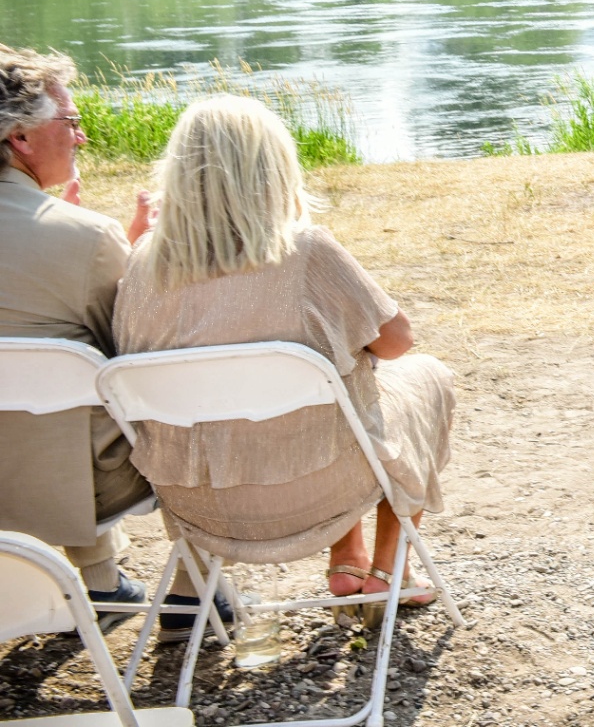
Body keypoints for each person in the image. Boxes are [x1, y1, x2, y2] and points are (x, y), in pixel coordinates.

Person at [112, 94, 456, 629]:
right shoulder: (306, 250)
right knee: (422, 378)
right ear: (271, 168)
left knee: (336, 395)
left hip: (200, 505)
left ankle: (348, 561)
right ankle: (390, 573)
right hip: (317, 489)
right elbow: (396, 343)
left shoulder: (139, 265)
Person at [0, 45, 161, 616]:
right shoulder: (85, 238)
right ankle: (196, 594)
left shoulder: (81, 236)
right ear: (20, 137)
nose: (82, 136)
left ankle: (100, 582)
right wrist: (136, 257)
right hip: (74, 486)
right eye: (69, 122)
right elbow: (132, 358)